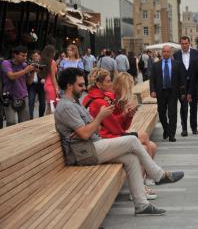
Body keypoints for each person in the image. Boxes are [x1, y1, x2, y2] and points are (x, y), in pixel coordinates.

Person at [54, 68, 184, 216]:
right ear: (69, 86)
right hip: (84, 152)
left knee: (132, 158)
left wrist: (116, 117)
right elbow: (85, 133)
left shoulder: (74, 103)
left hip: (91, 145)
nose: (84, 88)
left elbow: (91, 130)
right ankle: (158, 175)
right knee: (133, 140)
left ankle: (141, 205)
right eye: (80, 85)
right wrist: (100, 117)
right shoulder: (66, 106)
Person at [83, 69, 158, 198]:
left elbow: (118, 125)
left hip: (106, 137)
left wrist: (127, 116)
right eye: (108, 81)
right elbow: (116, 129)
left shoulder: (100, 99)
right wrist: (125, 115)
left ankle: (143, 183)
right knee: (145, 143)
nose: (111, 84)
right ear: (99, 84)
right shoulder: (100, 101)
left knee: (150, 146)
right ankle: (142, 186)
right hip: (104, 140)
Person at [150, 45, 186, 142]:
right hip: (161, 92)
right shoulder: (156, 65)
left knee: (172, 113)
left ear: (170, 53)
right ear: (162, 52)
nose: (166, 53)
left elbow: (182, 79)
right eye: (164, 51)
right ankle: (166, 129)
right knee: (161, 113)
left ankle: (171, 135)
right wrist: (152, 90)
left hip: (173, 92)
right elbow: (152, 79)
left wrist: (183, 92)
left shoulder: (177, 64)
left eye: (167, 51)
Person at [173, 36, 198, 136]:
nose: (184, 45)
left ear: (189, 43)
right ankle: (184, 128)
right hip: (182, 86)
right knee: (183, 107)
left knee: (193, 107)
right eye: (182, 44)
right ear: (180, 44)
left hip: (194, 85)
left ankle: (194, 127)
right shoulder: (176, 55)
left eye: (186, 43)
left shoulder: (196, 53)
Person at [1, 46, 37, 126]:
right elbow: (11, 76)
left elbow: (29, 82)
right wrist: (25, 70)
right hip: (9, 96)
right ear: (15, 55)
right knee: (11, 122)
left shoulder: (24, 65)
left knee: (24, 123)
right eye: (22, 55)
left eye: (26, 56)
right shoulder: (6, 63)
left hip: (23, 96)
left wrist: (33, 72)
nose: (25, 58)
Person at [40, 45, 60, 115]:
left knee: (49, 106)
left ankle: (45, 122)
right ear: (52, 52)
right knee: (52, 108)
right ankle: (49, 123)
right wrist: (57, 89)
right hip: (51, 85)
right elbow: (53, 77)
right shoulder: (52, 62)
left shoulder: (44, 61)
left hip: (46, 85)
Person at [27, 50, 46, 119]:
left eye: (36, 56)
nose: (35, 57)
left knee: (43, 103)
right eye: (34, 56)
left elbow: (47, 74)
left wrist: (44, 79)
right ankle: (30, 118)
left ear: (40, 56)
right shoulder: (29, 64)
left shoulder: (43, 64)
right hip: (32, 85)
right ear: (32, 57)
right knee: (31, 101)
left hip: (41, 85)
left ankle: (41, 117)